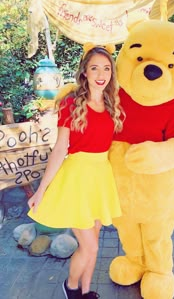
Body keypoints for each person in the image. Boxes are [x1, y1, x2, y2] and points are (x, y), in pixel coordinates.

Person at [28, 45, 124, 299]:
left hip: (100, 177)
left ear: (112, 72)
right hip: (77, 179)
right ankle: (70, 288)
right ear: (85, 72)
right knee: (89, 246)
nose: (101, 74)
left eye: (106, 68)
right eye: (94, 68)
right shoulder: (71, 103)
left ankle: (85, 290)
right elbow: (60, 149)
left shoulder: (112, 102)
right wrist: (42, 189)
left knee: (94, 244)